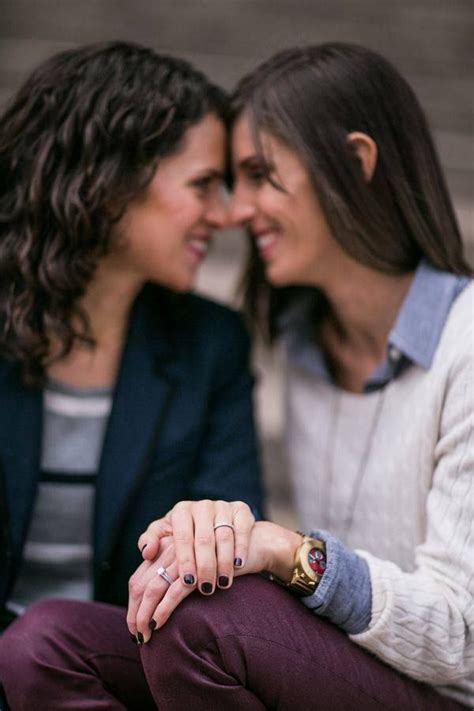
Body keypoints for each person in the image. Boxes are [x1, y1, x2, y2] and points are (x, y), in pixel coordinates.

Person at [123, 43, 472, 709]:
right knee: (48, 640)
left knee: (200, 628)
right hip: (338, 669)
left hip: (444, 694)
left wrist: (289, 551)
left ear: (356, 161)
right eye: (232, 179)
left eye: (261, 174)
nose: (236, 208)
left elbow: (459, 636)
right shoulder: (300, 341)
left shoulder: (467, 345)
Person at [0, 41, 263, 709]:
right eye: (204, 183)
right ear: (112, 180)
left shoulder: (212, 344)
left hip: (108, 671)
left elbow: (229, 555)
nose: (229, 212)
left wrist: (207, 535)